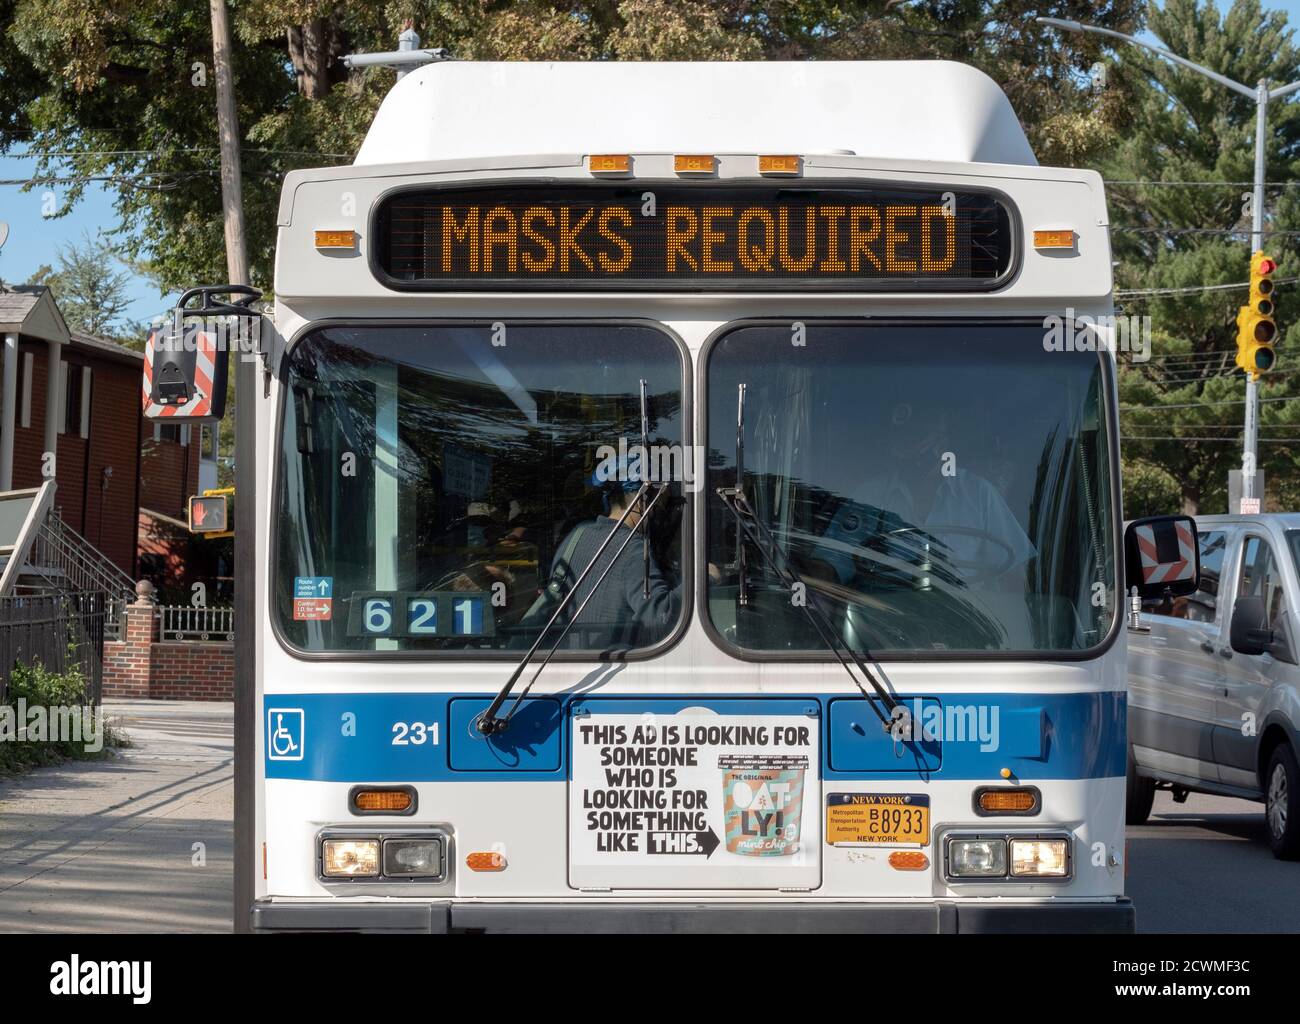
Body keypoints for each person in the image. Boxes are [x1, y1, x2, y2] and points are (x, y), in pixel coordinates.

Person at [810, 399, 1035, 588]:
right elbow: (828, 565)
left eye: (923, 435)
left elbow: (1015, 576)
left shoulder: (978, 494)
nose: (913, 446)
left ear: (944, 442)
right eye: (906, 436)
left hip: (969, 622)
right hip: (882, 625)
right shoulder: (868, 497)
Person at [535, 457, 680, 649]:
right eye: (660, 503)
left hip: (574, 659)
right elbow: (659, 615)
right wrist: (702, 581)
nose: (659, 511)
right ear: (642, 501)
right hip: (615, 663)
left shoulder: (576, 535)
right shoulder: (634, 548)